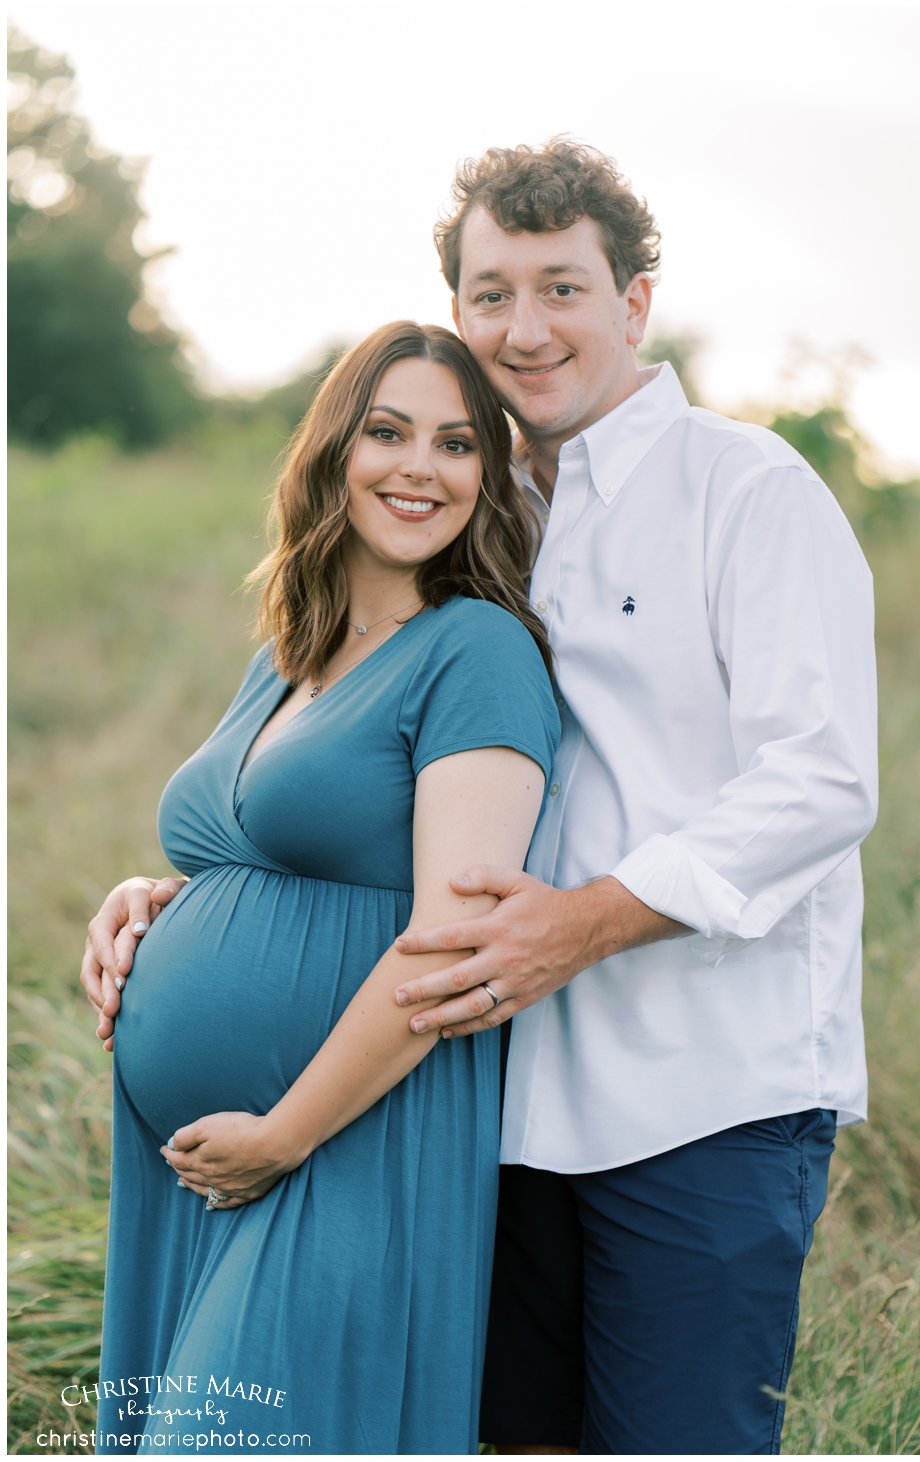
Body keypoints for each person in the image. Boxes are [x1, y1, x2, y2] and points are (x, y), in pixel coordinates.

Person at [85, 141, 878, 1454]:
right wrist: (188, 897)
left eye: (562, 287)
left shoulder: (747, 491)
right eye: (491, 290)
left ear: (632, 303)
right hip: (494, 1110)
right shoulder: (471, 500)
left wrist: (590, 919)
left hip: (699, 1095)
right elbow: (386, 784)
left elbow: (823, 775)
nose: (524, 328)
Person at [83, 321, 560, 1453]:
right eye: (388, 431)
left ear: (485, 478)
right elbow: (261, 849)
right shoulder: (288, 655)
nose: (420, 467)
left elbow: (454, 940)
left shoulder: (476, 650)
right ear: (332, 450)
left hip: (344, 1144)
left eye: (456, 445)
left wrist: (284, 1135)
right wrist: (153, 894)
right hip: (204, 1169)